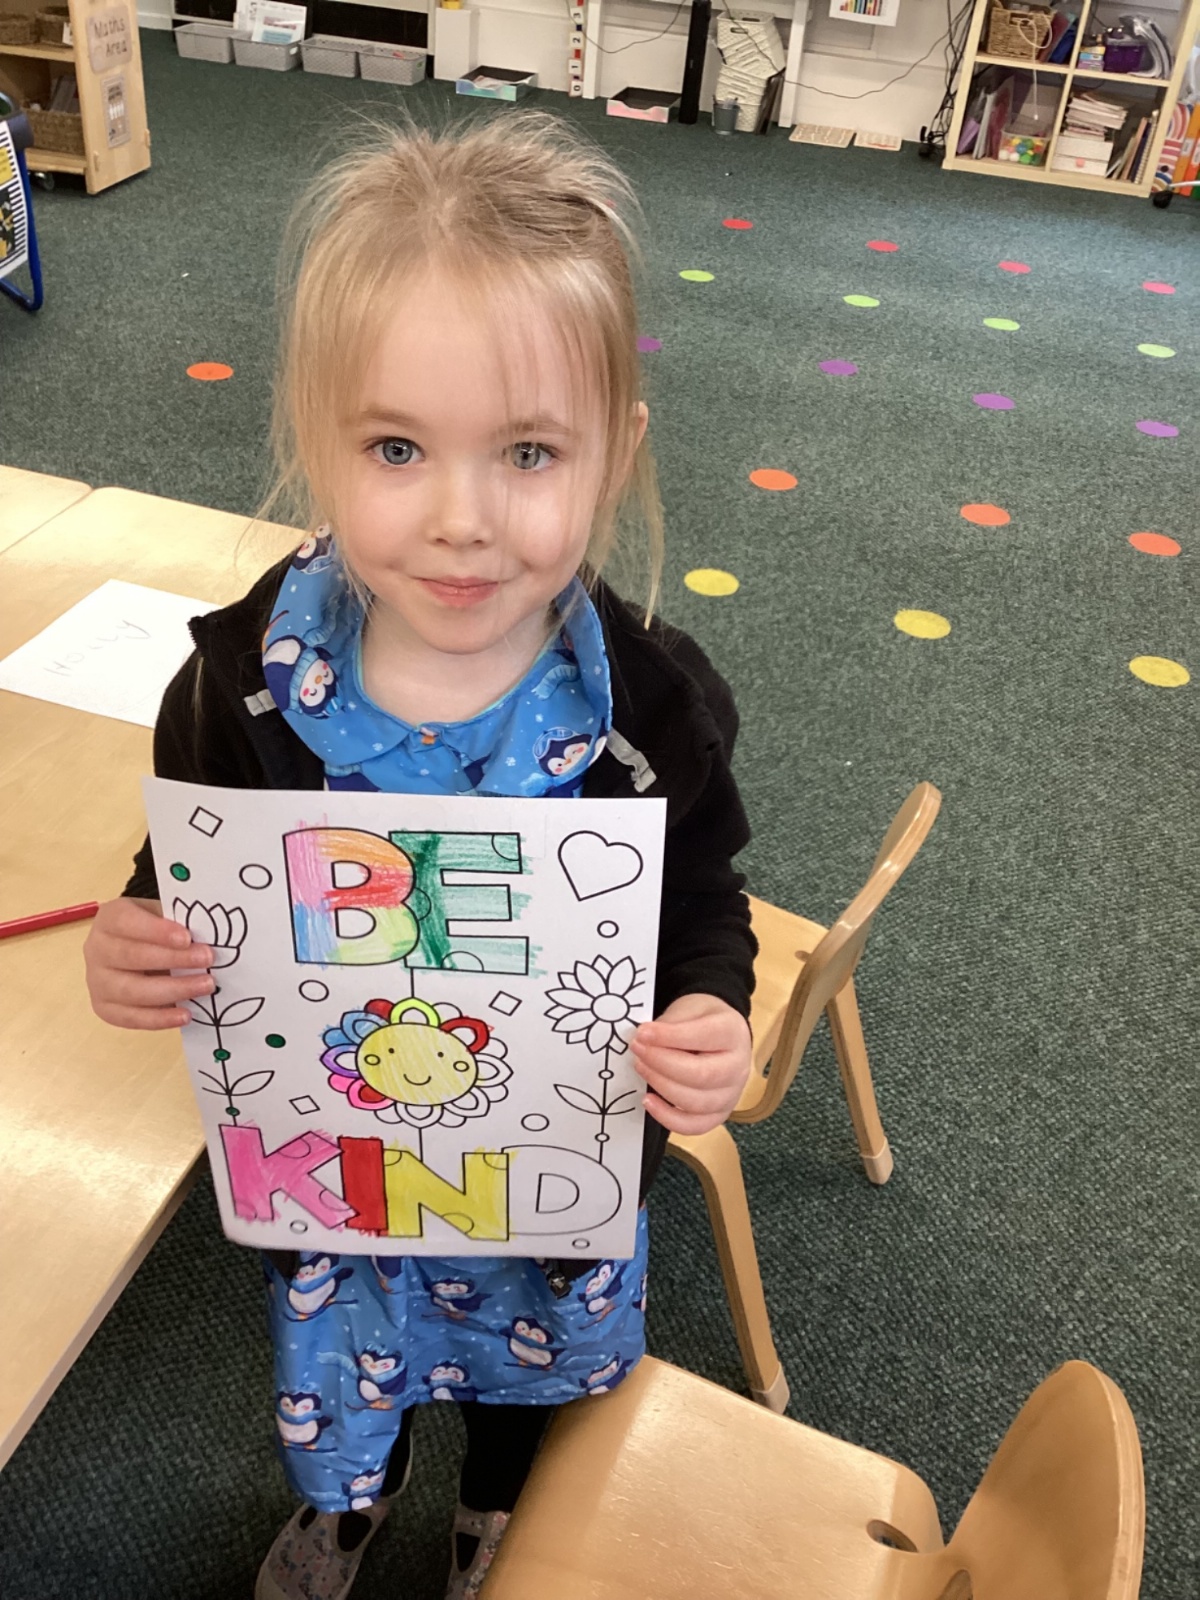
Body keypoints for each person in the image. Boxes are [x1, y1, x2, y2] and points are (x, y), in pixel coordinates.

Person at [83, 109, 757, 1600]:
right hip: (340, 1180)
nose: (462, 521)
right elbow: (190, 866)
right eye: (397, 447)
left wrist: (713, 1007)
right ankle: (356, 1502)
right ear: (319, 437)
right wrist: (136, 936)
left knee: (532, 1375)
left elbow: (702, 898)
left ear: (614, 453)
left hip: (556, 1171)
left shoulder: (650, 708)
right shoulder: (241, 684)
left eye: (529, 452)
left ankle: (495, 1517)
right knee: (349, 1368)